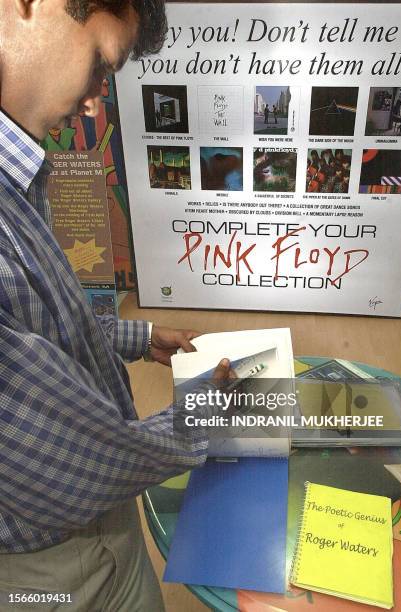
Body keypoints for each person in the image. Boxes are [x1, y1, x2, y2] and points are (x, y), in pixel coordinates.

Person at [0, 1, 232, 610]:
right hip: (49, 572)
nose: (96, 101)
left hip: (93, 527)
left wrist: (137, 336)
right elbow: (66, 463)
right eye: (102, 63)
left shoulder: (16, 174)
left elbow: (41, 316)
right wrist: (202, 414)